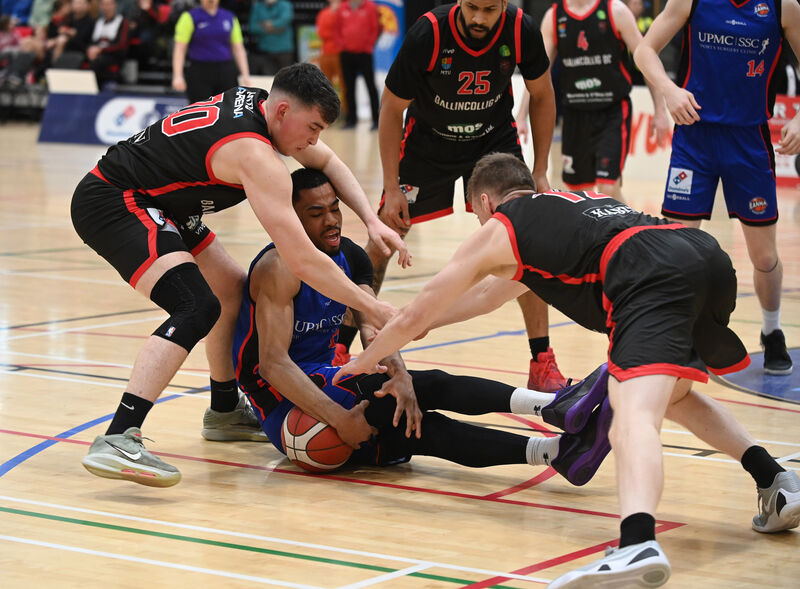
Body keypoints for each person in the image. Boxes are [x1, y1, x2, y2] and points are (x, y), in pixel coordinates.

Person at [334, 152, 800, 588]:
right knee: (673, 397)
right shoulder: (566, 206)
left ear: (485, 202)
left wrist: (362, 362)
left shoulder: (501, 226)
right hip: (701, 256)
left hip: (645, 275)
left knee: (631, 414)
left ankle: (637, 543)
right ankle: (775, 480)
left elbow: (417, 311)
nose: (481, 223)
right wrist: (423, 325)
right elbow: (485, 297)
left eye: (478, 215)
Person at [73, 63, 410, 488]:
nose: (313, 141)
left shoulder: (262, 105)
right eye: (313, 128)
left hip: (163, 203)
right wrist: (371, 306)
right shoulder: (255, 155)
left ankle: (224, 410)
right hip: (115, 201)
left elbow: (327, 160)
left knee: (231, 290)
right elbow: (303, 261)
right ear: (284, 111)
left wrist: (371, 221)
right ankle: (118, 436)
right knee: (196, 305)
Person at [234, 166, 613, 485]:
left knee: (418, 421)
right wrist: (339, 420)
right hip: (283, 404)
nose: (332, 220)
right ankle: (552, 409)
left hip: (325, 380)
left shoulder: (349, 255)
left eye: (335, 209)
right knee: (424, 395)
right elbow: (273, 365)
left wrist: (399, 373)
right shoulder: (278, 268)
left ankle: (555, 448)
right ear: (291, 219)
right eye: (316, 214)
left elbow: (374, 327)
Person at [348, 0, 566, 393]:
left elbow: (543, 95)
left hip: (492, 139)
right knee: (383, 239)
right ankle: (337, 345)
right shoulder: (428, 33)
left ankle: (542, 361)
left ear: (504, 4)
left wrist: (539, 170)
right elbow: (391, 108)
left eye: (489, 9)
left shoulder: (520, 30)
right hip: (427, 142)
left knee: (527, 239)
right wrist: (392, 186)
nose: (479, 18)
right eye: (471, 7)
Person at [634, 0, 800, 376]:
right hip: (695, 138)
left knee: (764, 256)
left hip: (749, 141)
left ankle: (772, 331)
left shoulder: (782, 7)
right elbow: (644, 50)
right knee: (676, 248)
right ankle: (676, 335)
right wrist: (668, 90)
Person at [517, 0, 669, 199]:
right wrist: (521, 116)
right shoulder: (553, 17)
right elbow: (538, 74)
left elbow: (647, 61)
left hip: (612, 112)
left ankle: (623, 220)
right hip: (574, 114)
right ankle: (610, 218)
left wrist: (660, 110)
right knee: (578, 193)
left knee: (608, 188)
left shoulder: (616, 11)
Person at [172, 0, 251, 103]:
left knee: (227, 107)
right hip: (200, 70)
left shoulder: (229, 17)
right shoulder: (189, 17)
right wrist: (177, 76)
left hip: (226, 70)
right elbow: (180, 48)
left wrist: (245, 74)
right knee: (200, 107)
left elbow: (238, 48)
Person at [336, 0, 381, 128]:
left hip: (364, 53)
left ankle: (376, 119)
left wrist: (368, 45)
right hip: (346, 53)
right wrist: (342, 45)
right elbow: (336, 30)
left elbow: (375, 28)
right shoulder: (342, 8)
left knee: (370, 85)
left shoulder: (370, 7)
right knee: (349, 87)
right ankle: (351, 119)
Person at [86, 0, 130, 86]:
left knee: (97, 63)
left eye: (109, 4)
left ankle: (92, 88)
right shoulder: (98, 21)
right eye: (104, 4)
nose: (106, 7)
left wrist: (101, 50)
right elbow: (92, 41)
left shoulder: (122, 22)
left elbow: (122, 44)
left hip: (113, 55)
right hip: (97, 54)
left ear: (115, 5)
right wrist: (90, 49)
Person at [248, 0, 295, 76]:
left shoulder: (285, 4)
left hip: (284, 50)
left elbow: (284, 21)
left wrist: (264, 25)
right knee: (268, 78)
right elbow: (252, 27)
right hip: (265, 51)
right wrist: (275, 28)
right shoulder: (257, 6)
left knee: (286, 77)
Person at [315, 0, 345, 110]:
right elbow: (321, 33)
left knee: (344, 85)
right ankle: (327, 110)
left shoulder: (345, 12)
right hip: (327, 53)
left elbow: (346, 31)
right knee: (326, 85)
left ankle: (346, 112)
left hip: (342, 53)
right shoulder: (324, 13)